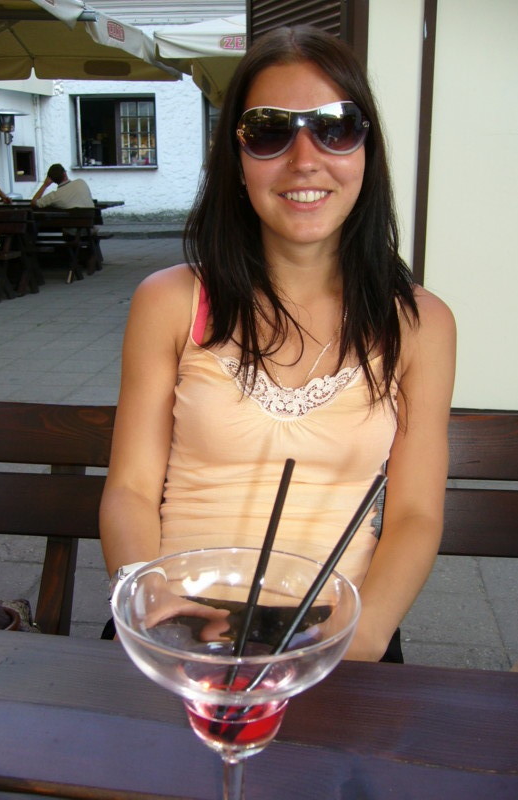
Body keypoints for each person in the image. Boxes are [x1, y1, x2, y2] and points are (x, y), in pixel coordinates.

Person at [99, 26, 456, 662]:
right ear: (236, 159)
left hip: (334, 627)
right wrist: (149, 598)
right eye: (268, 131)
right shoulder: (169, 301)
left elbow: (415, 513)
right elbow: (130, 487)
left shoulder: (419, 323)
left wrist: (364, 632)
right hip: (178, 615)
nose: (304, 159)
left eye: (335, 128)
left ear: (366, 150)